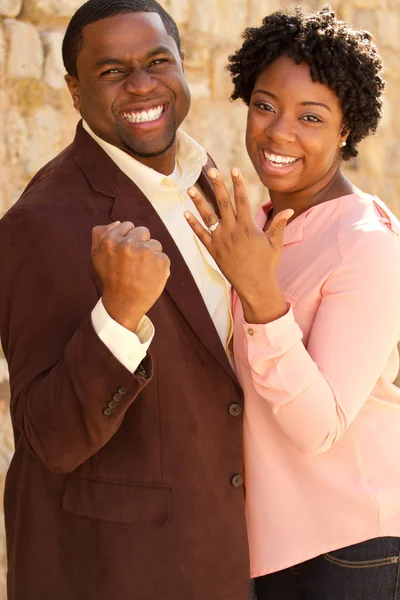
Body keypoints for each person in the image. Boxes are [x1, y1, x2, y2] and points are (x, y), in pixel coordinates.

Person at [0, 1, 251, 598]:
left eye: (158, 61)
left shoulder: (203, 178)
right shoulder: (41, 223)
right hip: (123, 570)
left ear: (183, 66)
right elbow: (49, 437)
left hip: (220, 552)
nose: (142, 85)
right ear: (73, 88)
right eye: (112, 71)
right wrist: (117, 315)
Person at [184, 6, 400, 600]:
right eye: (264, 105)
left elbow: (317, 428)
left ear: (347, 130)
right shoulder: (255, 227)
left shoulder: (368, 243)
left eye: (311, 116)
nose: (279, 132)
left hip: (349, 549)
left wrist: (260, 295)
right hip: (266, 541)